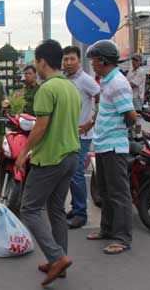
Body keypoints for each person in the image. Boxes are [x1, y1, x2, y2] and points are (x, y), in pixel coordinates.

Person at [15, 40, 80, 286]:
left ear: (42, 62)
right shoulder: (70, 88)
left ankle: (57, 257)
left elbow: (41, 126)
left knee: (29, 209)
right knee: (55, 210)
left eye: (36, 63)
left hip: (51, 158)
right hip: (71, 156)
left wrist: (23, 154)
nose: (36, 67)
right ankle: (58, 262)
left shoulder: (47, 89)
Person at [85, 40, 138, 255]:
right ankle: (106, 229)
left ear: (103, 60)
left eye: (95, 60)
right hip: (103, 145)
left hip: (115, 147)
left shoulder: (118, 83)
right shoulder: (106, 81)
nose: (93, 64)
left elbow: (131, 116)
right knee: (105, 192)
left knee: (119, 194)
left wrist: (116, 130)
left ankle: (122, 238)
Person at [62, 46, 100, 229]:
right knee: (69, 173)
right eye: (65, 59)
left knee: (77, 173)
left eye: (71, 59)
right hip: (66, 134)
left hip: (81, 136)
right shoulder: (64, 80)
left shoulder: (86, 80)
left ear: (79, 61)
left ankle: (81, 213)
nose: (68, 62)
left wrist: (91, 122)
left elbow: (101, 98)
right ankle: (76, 207)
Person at [126, 54, 146, 135]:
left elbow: (133, 84)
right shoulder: (130, 71)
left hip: (137, 98)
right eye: (133, 60)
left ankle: (137, 136)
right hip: (129, 97)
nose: (134, 62)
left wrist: (125, 84)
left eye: (136, 60)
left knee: (137, 119)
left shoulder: (141, 71)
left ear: (140, 62)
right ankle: (131, 135)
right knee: (129, 118)